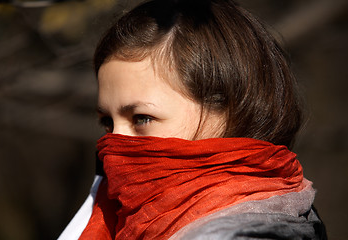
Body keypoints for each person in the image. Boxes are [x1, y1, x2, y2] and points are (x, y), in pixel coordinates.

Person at [58, 0, 327, 239]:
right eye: (107, 122)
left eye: (141, 118)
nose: (114, 144)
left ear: (232, 110)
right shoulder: (116, 219)